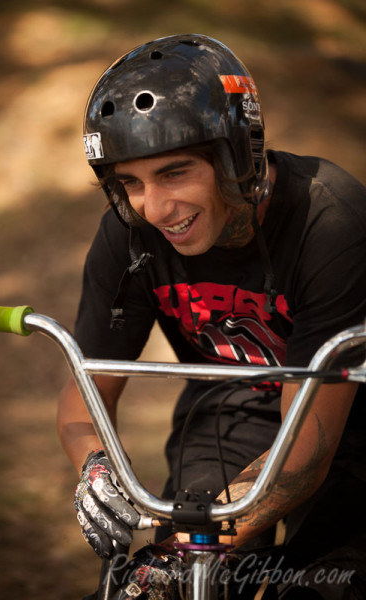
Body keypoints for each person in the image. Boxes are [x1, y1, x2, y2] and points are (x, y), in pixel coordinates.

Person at [58, 34, 366, 598]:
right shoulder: (130, 232)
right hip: (228, 410)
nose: (155, 208)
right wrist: (96, 468)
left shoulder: (333, 221)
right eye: (131, 182)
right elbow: (86, 389)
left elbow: (310, 452)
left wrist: (191, 545)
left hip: (348, 425)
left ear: (238, 156)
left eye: (174, 173)